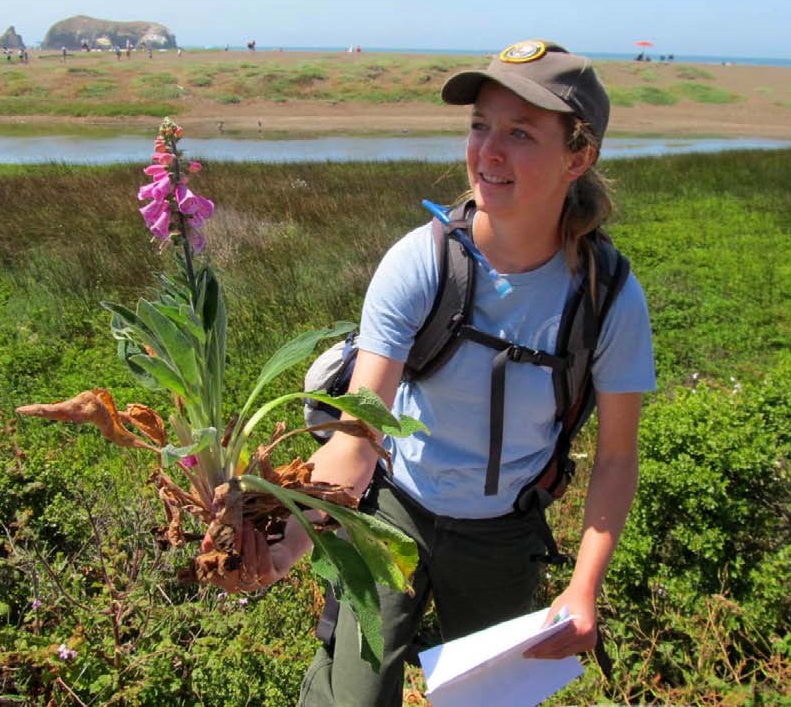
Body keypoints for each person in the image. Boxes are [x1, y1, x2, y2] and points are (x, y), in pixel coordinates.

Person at [202, 39, 656, 706]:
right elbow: (358, 441)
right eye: (479, 126)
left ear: (578, 156)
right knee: (352, 698)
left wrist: (584, 587)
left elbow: (617, 458)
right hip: (393, 512)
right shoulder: (422, 264)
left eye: (520, 133)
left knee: (487, 700)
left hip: (505, 531)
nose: (488, 152)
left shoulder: (607, 295)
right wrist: (283, 548)